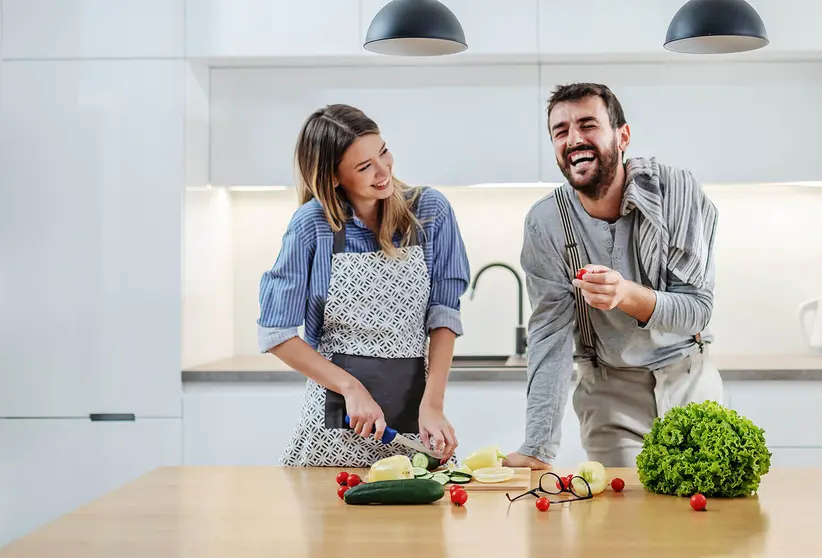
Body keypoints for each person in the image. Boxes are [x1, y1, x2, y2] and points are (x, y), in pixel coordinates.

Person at [504, 83, 724, 470]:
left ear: (622, 136)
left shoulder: (677, 193)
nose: (574, 139)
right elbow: (548, 336)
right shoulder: (547, 223)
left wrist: (625, 293)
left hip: (689, 381)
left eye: (588, 124)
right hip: (609, 393)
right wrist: (538, 447)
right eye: (561, 131)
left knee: (703, 521)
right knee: (629, 524)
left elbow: (697, 311)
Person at [257, 104, 470, 467]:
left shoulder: (430, 211)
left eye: (383, 152)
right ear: (334, 177)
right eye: (364, 166)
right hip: (334, 426)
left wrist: (433, 405)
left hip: (413, 420)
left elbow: (443, 315)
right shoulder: (313, 225)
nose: (383, 170)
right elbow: (275, 334)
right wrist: (350, 387)